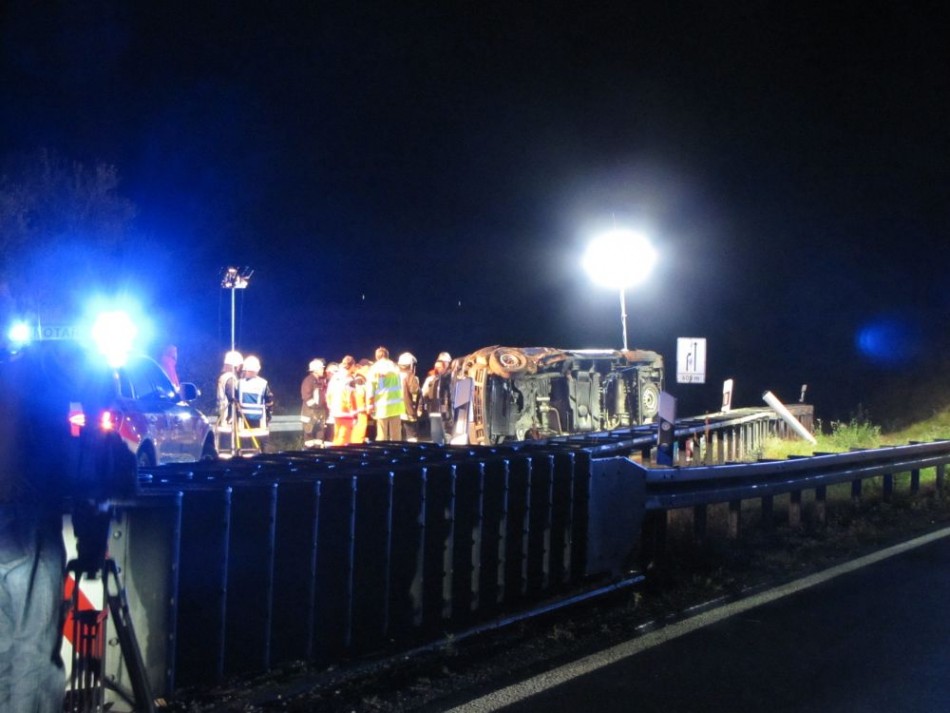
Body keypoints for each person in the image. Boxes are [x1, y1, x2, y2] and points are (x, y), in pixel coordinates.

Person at [237, 354, 275, 453]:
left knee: (246, 446)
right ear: (257, 369)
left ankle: (247, 462)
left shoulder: (239, 383)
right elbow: (269, 401)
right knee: (264, 443)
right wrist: (269, 415)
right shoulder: (263, 383)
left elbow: (235, 399)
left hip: (243, 419)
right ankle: (265, 462)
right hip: (259, 419)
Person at [368, 346, 404, 441]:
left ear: (377, 357)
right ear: (387, 356)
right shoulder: (395, 367)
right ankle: (397, 452)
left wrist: (370, 405)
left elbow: (370, 389)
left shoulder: (374, 368)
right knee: (396, 434)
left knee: (381, 435)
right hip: (396, 405)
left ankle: (382, 453)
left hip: (381, 406)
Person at [420, 351, 454, 444]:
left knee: (439, 436)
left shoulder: (432, 378)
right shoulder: (449, 377)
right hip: (442, 412)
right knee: (444, 435)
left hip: (438, 411)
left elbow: (423, 393)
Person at [216, 350, 243, 452]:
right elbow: (232, 396)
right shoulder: (230, 378)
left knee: (222, 447)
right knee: (228, 449)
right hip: (228, 418)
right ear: (235, 365)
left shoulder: (223, 377)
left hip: (222, 414)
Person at [326, 356, 357, 446]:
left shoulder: (335, 377)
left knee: (337, 437)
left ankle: (334, 457)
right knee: (344, 440)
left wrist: (331, 407)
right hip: (346, 412)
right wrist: (354, 413)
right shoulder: (348, 379)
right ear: (352, 365)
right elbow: (350, 398)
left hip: (335, 412)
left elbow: (328, 395)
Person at [300, 358, 329, 448]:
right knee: (309, 442)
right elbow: (307, 397)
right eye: (321, 368)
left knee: (319, 441)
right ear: (315, 370)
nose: (322, 370)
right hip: (310, 417)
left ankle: (318, 457)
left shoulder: (320, 381)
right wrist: (317, 408)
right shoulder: (308, 380)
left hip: (318, 416)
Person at [398, 352, 421, 442]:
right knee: (412, 436)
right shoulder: (411, 377)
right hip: (408, 412)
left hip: (394, 412)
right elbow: (415, 392)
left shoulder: (393, 376)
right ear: (411, 365)